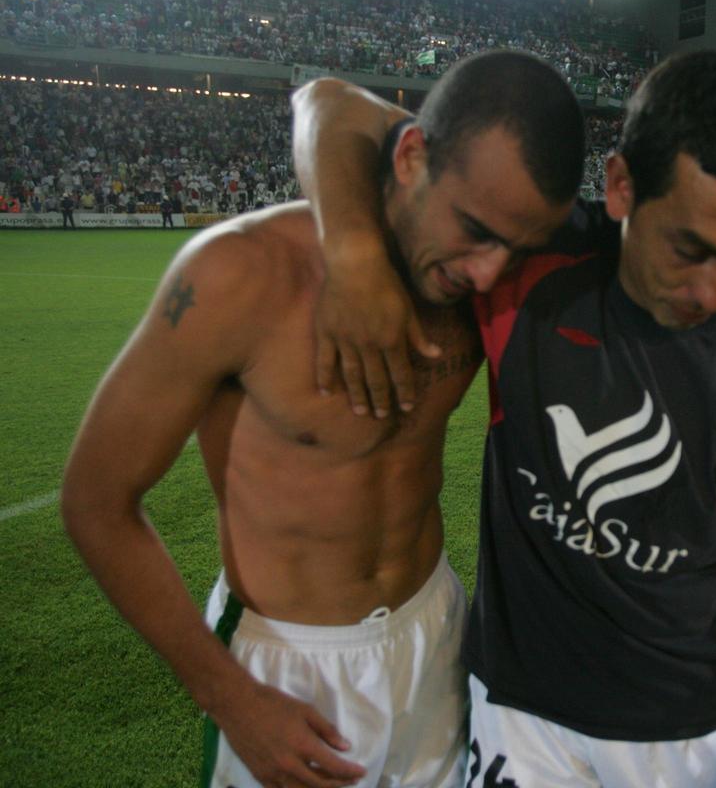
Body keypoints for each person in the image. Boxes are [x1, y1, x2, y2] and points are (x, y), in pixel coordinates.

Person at [296, 49, 716, 787]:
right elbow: (330, 102)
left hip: (688, 720)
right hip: (520, 703)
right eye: (690, 248)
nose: (712, 292)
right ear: (620, 185)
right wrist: (350, 253)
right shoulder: (525, 256)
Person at [60, 51, 583, 788]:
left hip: (436, 631)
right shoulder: (236, 276)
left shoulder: (478, 270)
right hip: (287, 666)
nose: (490, 274)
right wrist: (231, 698)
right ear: (409, 157)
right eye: (473, 229)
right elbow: (95, 502)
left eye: (516, 248)